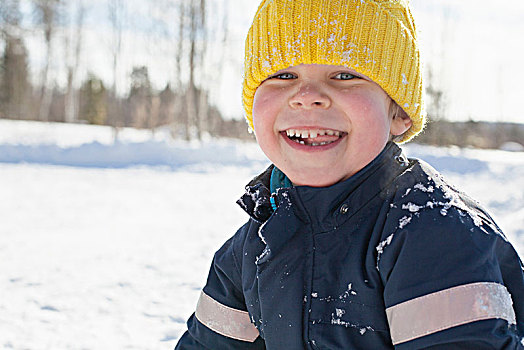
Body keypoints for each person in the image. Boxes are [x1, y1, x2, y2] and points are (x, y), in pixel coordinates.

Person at [175, 0, 524, 348]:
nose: (307, 96)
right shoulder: (251, 247)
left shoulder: (435, 233)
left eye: (345, 75)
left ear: (398, 114)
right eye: (283, 75)